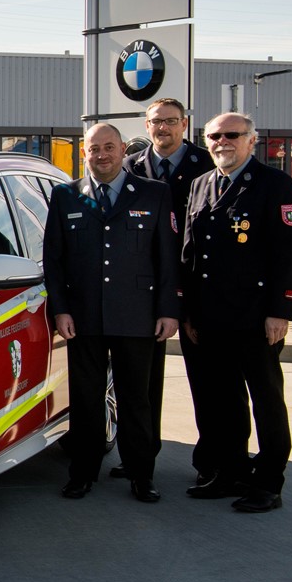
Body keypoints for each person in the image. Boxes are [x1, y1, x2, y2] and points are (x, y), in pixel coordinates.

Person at [44, 123, 179, 503]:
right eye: (93, 148)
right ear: (83, 153)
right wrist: (61, 309)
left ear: (123, 150)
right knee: (85, 400)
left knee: (135, 400)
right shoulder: (66, 195)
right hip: (83, 317)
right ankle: (83, 473)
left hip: (137, 316)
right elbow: (53, 260)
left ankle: (141, 475)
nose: (101, 154)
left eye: (109, 147)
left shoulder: (155, 194)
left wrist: (169, 310)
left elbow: (167, 258)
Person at [181, 112, 292, 513]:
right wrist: (189, 313)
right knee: (223, 400)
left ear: (252, 140)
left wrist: (280, 311)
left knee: (265, 399)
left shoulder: (275, 185)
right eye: (214, 136)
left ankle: (268, 482)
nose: (221, 142)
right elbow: (191, 254)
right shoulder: (201, 184)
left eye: (232, 135)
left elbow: (288, 254)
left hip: (256, 317)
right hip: (211, 318)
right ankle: (230, 472)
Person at [113, 97, 213, 482]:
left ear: (185, 124)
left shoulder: (205, 165)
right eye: (156, 122)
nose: (163, 128)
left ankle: (211, 461)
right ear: (146, 124)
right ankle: (141, 454)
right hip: (143, 292)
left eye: (171, 121)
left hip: (196, 289)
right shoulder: (131, 167)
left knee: (206, 382)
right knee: (142, 383)